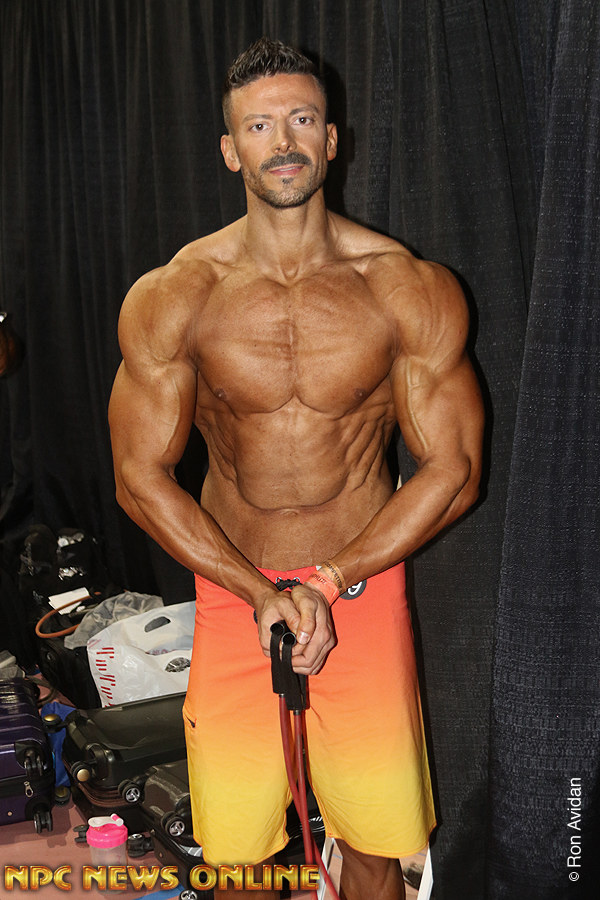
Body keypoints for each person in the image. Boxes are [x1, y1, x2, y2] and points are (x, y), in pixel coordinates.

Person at [108, 37, 483, 900]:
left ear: (332, 138)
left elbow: (455, 470)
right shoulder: (175, 295)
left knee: (377, 847)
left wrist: (330, 578)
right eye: (259, 126)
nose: (283, 142)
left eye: (302, 119)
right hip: (232, 595)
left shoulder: (403, 287)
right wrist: (256, 590)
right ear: (229, 150)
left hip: (361, 590)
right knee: (236, 857)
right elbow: (139, 477)